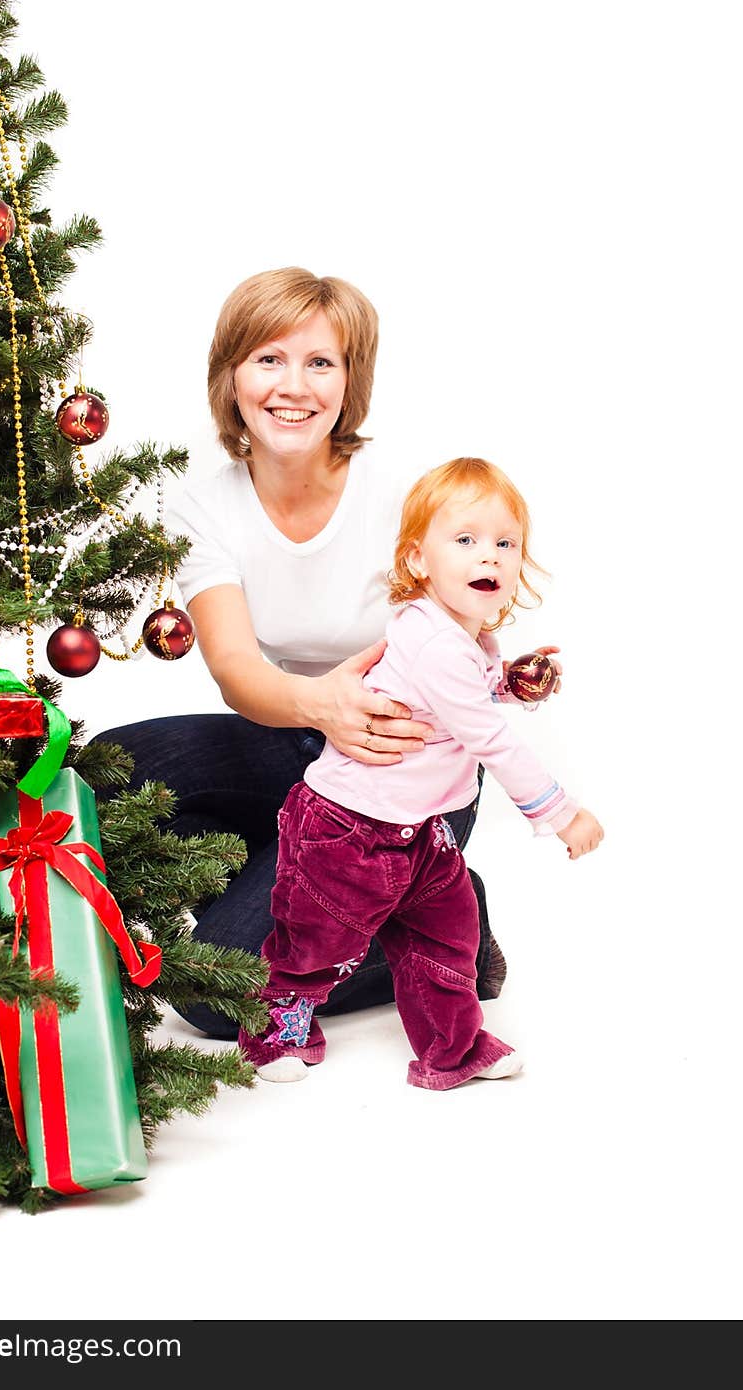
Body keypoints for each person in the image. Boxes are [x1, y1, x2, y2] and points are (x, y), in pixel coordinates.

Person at [92, 267, 505, 1037]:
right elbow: (236, 670)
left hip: (398, 772)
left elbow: (469, 643)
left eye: (321, 362)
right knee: (107, 772)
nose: (294, 385)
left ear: (352, 381)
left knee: (218, 995)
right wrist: (322, 704)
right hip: (295, 741)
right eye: (268, 359)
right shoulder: (202, 506)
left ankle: (447, 922)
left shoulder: (405, 501)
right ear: (232, 377)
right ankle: (306, 888)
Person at [239, 456, 604, 1087]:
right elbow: (485, 735)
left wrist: (512, 682)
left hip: (419, 831)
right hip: (347, 830)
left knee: (447, 939)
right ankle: (279, 1020)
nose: (487, 557)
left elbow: (469, 699)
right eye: (465, 540)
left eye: (504, 543)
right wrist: (560, 813)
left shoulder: (465, 639)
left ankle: (452, 1047)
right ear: (417, 561)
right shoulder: (436, 643)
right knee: (317, 939)